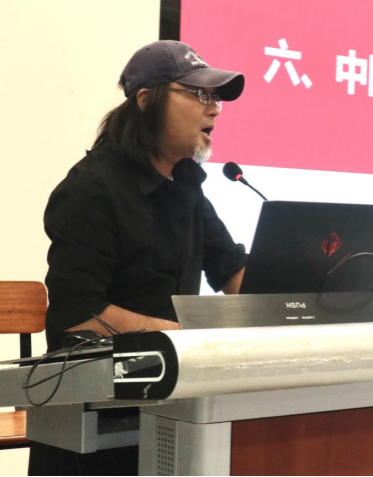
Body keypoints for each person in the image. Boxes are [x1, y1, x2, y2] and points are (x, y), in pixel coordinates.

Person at [29, 40, 248, 476]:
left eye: (216, 98)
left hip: (172, 399)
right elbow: (79, 314)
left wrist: (297, 302)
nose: (214, 109)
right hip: (97, 421)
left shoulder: (186, 186)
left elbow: (232, 271)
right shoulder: (92, 189)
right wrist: (183, 336)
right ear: (147, 101)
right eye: (199, 94)